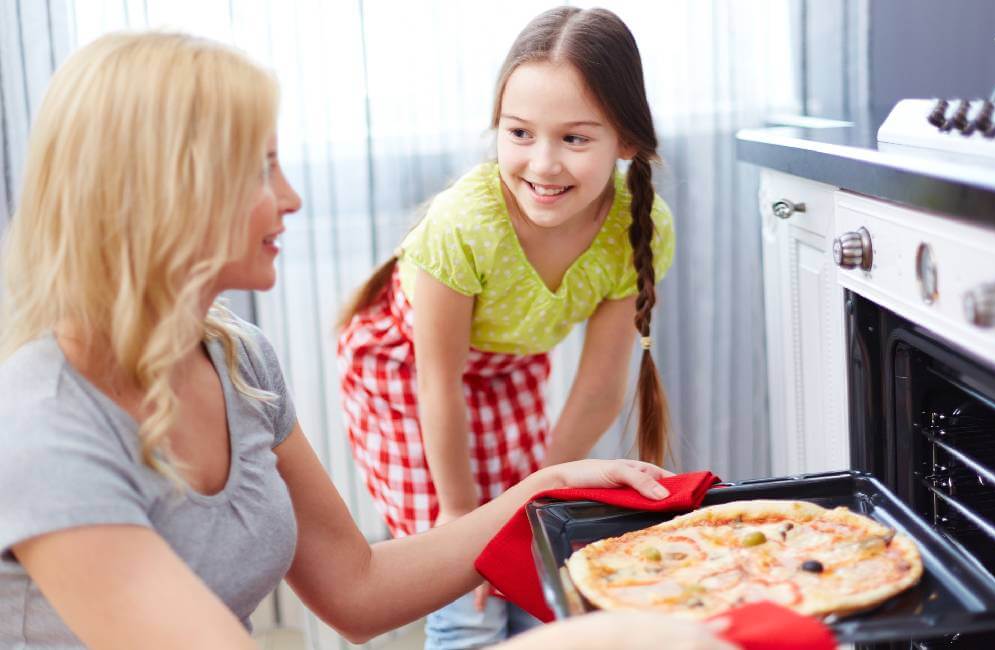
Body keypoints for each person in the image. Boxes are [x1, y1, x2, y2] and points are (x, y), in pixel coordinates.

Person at [0, 32, 737, 650]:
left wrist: (545, 487)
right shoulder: (44, 427)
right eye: (262, 168)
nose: (290, 196)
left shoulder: (238, 361)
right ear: (165, 190)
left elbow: (357, 590)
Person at [337, 6, 677, 649]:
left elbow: (601, 385)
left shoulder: (639, 227)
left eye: (575, 139)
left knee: (528, 556)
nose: (543, 165)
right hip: (406, 376)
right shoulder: (465, 222)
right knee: (462, 576)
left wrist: (542, 496)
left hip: (507, 366)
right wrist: (460, 514)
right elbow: (437, 383)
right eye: (519, 133)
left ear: (626, 141)